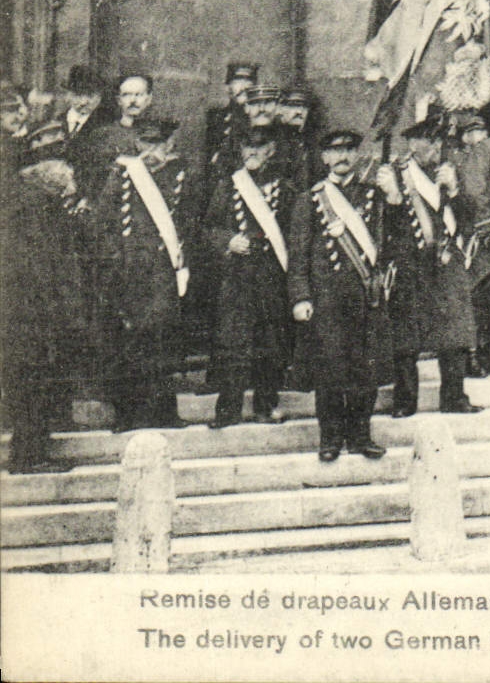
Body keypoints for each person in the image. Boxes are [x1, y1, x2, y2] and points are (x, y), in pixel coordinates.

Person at [288, 129, 389, 461]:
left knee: (364, 370)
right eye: (336, 151)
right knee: (330, 370)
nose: (343, 156)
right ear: (325, 158)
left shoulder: (373, 196)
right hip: (327, 298)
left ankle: (361, 435)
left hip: (364, 296)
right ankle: (330, 438)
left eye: (349, 150)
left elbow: (382, 245)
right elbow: (298, 254)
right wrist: (300, 297)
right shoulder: (311, 199)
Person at [91, 117, 193, 432]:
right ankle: (126, 414)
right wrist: (115, 259)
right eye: (145, 143)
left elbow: (189, 223)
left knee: (162, 340)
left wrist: (182, 262)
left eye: (157, 144)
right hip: (127, 270)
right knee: (127, 341)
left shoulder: (182, 176)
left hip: (163, 272)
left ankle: (164, 411)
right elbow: (103, 222)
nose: (151, 151)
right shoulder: (122, 175)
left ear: (170, 145)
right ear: (136, 144)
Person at [1, 124, 92, 472]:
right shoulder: (36, 208)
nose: (71, 175)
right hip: (33, 318)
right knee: (32, 386)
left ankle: (33, 454)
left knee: (33, 385)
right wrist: (62, 313)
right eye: (66, 169)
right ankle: (29, 457)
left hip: (30, 317)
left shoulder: (32, 203)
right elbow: (42, 268)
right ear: (48, 173)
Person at [380, 118, 482, 414]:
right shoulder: (397, 175)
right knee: (406, 337)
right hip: (410, 263)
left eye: (439, 141)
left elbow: (468, 218)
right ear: (412, 145)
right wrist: (394, 200)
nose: (436, 147)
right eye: (429, 141)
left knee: (454, 333)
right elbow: (384, 226)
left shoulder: (449, 171)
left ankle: (454, 397)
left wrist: (453, 191)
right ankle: (405, 401)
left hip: (447, 262)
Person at [202, 125, 291, 427]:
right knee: (233, 345)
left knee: (270, 345)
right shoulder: (228, 187)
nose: (252, 151)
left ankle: (266, 406)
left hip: (271, 278)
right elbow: (209, 229)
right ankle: (227, 410)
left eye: (260, 145)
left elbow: (294, 235)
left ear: (271, 150)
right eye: (247, 146)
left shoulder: (286, 189)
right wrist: (228, 240)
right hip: (237, 278)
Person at [451, 110, 490, 377]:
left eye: (480, 132)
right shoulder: (454, 161)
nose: (477, 137)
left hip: (488, 233)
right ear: (462, 137)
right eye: (470, 132)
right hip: (466, 235)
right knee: (471, 297)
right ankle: (470, 356)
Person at [78, 72, 154, 179]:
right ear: (119, 100)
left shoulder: (159, 135)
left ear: (149, 99)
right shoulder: (102, 135)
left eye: (139, 94)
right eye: (126, 95)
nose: (132, 100)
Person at [203, 62, 257, 182]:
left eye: (248, 83)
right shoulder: (216, 118)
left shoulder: (258, 119)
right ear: (227, 88)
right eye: (237, 82)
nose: (243, 88)